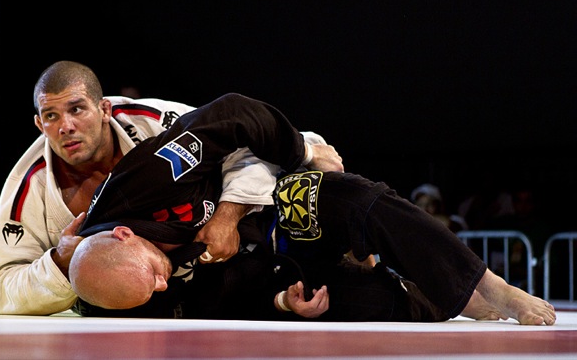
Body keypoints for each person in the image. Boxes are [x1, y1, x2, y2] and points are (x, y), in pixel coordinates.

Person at [69, 93, 556, 325]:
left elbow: (239, 113)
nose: (161, 281)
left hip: (272, 196)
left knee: (349, 196)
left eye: (153, 271)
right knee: (363, 306)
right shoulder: (118, 293)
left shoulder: (147, 178)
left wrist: (229, 213)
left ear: (125, 236)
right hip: (268, 272)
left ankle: (489, 285)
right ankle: (449, 300)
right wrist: (278, 305)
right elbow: (209, 306)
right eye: (152, 289)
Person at [0, 61, 331, 315]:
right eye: (51, 116)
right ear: (38, 123)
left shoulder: (153, 122)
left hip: (229, 249)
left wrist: (227, 215)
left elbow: (245, 138)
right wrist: (62, 261)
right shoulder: (28, 186)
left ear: (105, 108)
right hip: (149, 303)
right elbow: (2, 289)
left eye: (77, 109)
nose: (66, 126)